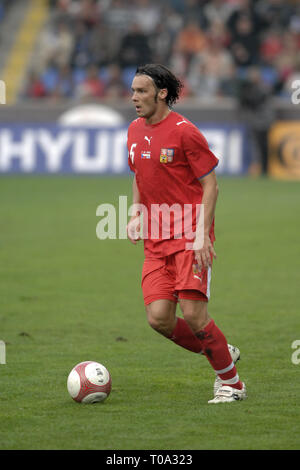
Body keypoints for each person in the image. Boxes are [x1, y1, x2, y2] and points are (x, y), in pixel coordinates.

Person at [126, 64, 247, 404]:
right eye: (133, 91)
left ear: (162, 93)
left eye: (141, 91)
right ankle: (222, 351)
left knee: (194, 315)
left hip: (189, 237)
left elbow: (211, 185)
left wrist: (202, 235)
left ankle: (232, 384)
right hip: (156, 240)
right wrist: (136, 211)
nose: (134, 98)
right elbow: (140, 175)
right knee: (160, 319)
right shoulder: (134, 130)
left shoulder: (184, 131)